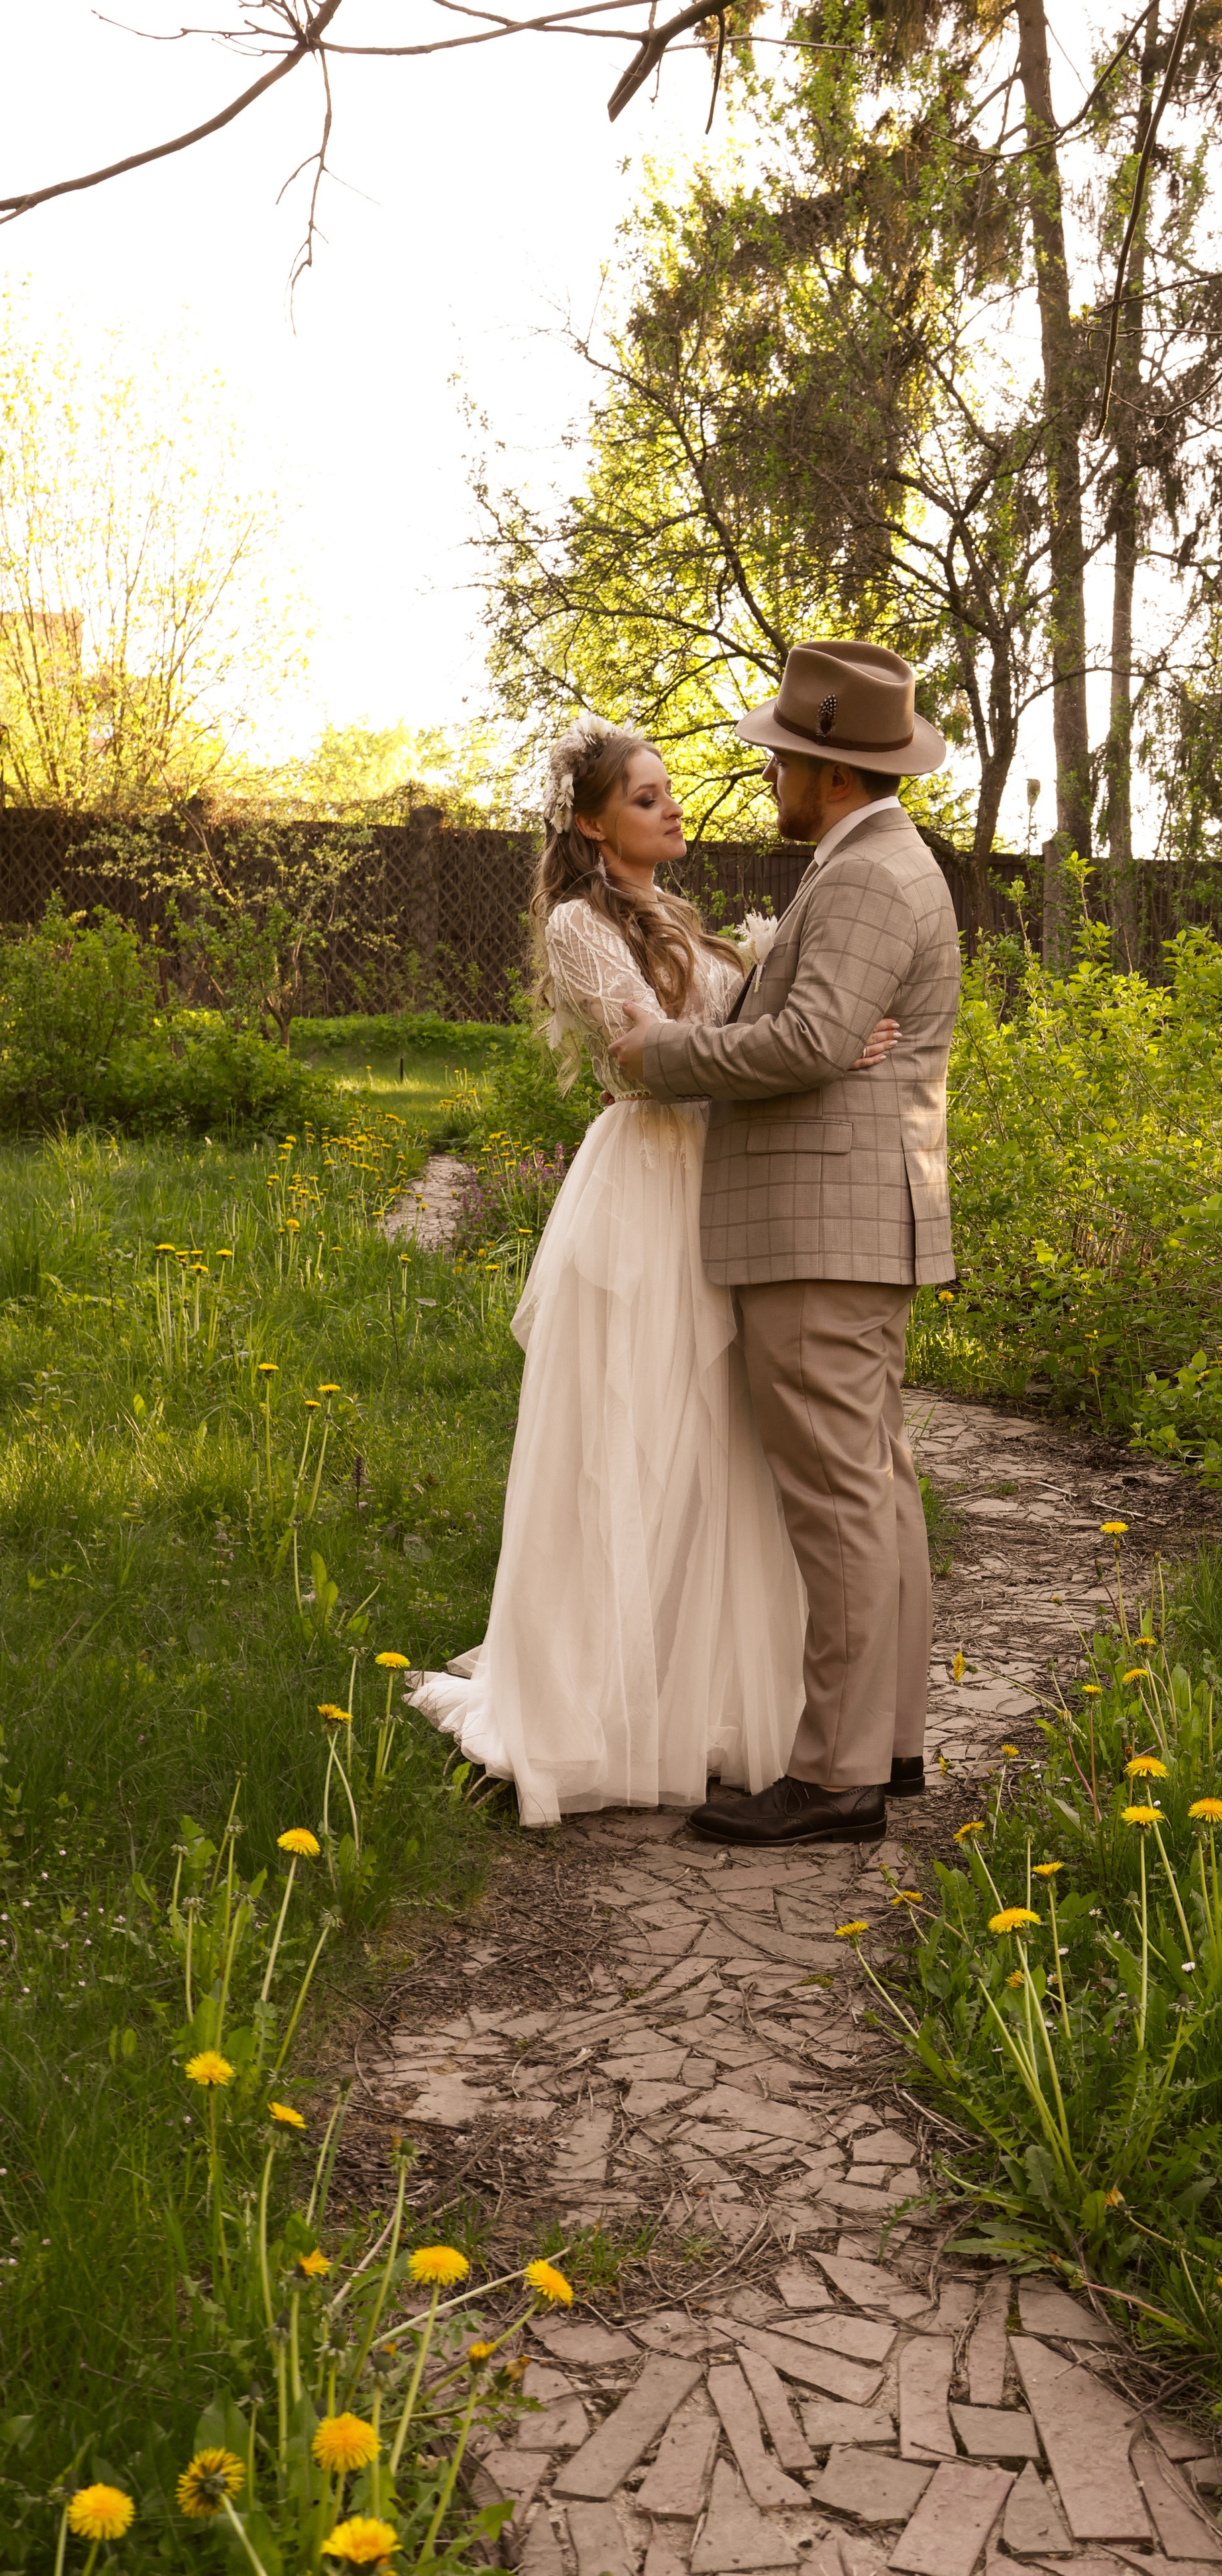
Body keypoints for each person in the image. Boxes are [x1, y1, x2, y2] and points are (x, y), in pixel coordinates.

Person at [406, 714, 901, 1823]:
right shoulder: (582, 926)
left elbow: (745, 1033)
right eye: (645, 797)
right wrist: (804, 1053)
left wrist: (819, 1024)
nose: (673, 806)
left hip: (715, 1186)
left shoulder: (676, 915)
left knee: (716, 1438)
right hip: (642, 1190)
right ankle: (592, 1697)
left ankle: (699, 1693)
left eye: (669, 792)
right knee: (628, 1430)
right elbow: (653, 1061)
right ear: (591, 825)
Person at [608, 637, 960, 1850]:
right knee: (875, 1485)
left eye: (784, 760)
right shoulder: (865, 861)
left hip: (824, 1224)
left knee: (839, 1497)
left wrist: (659, 1058)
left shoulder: (866, 876)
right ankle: (889, 1748)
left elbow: (809, 1044)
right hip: (849, 1218)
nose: (771, 779)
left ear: (831, 769)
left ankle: (837, 1775)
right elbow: (818, 1033)